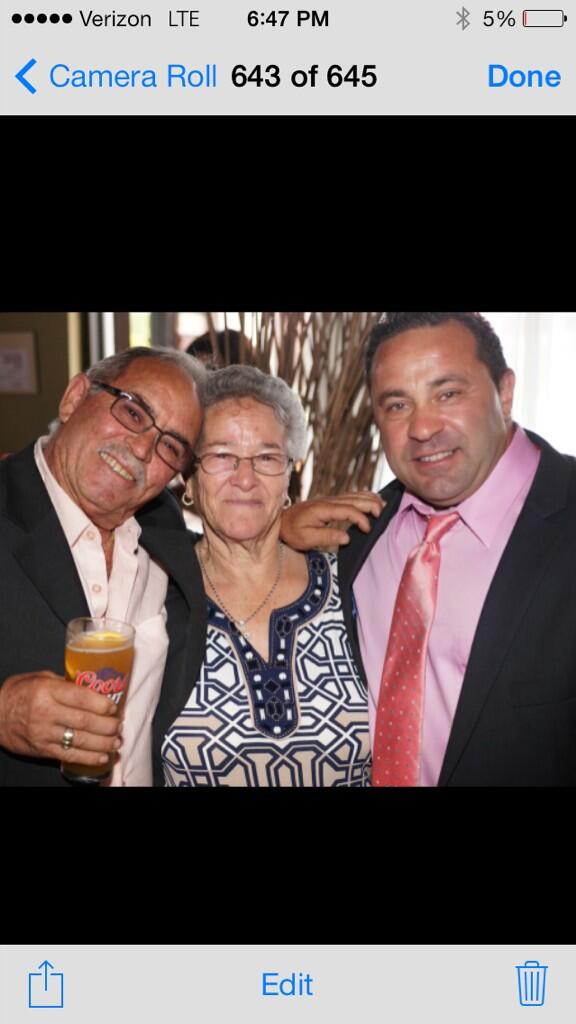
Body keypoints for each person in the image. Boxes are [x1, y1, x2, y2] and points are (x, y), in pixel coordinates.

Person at [0, 346, 381, 787]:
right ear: (73, 398)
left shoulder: (160, 543)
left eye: (170, 444)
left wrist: (273, 525)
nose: (143, 448)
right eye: (133, 413)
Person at [328, 311, 576, 786]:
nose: (423, 427)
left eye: (447, 393)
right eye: (397, 405)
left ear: (504, 393)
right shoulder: (356, 535)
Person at [154, 365, 373, 786]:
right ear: (189, 478)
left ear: (289, 473)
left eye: (267, 457)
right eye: (221, 456)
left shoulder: (355, 588)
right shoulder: (153, 593)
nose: (245, 478)